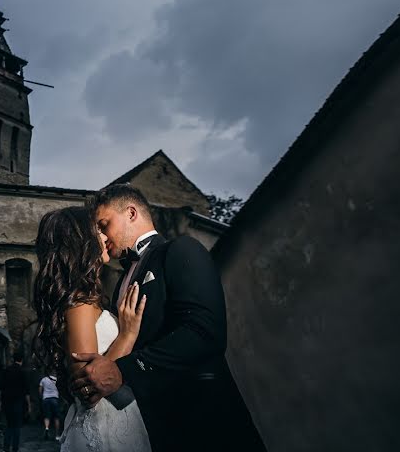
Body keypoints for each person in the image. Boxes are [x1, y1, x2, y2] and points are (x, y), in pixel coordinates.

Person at [70, 184, 264, 452]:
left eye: (104, 224)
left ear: (131, 213)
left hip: (206, 423)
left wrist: (123, 369)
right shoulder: (119, 283)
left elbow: (205, 332)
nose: (101, 236)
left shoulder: (182, 249)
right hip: (155, 428)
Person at [33, 206, 152, 452]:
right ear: (81, 241)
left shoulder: (85, 298)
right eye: (97, 230)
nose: (105, 236)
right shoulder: (79, 303)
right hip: (104, 428)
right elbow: (90, 390)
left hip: (116, 418)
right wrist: (127, 335)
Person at [0, 349, 30, 452]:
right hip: (18, 402)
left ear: (13, 359)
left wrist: (1, 402)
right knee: (16, 426)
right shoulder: (22, 372)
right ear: (21, 359)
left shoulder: (6, 370)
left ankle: (6, 447)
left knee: (8, 425)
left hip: (6, 402)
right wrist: (29, 405)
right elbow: (26, 391)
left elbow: (2, 387)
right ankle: (15, 448)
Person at [38, 371, 62, 440]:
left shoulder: (44, 379)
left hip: (46, 399)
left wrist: (41, 397)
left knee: (47, 416)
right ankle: (57, 435)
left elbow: (40, 389)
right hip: (54, 399)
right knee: (56, 417)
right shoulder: (57, 379)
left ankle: (46, 428)